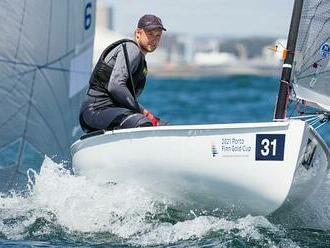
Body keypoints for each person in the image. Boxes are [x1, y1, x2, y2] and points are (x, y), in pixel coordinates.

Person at [79, 14, 167, 133]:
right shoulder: (132, 49)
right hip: (95, 111)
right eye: (150, 34)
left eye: (158, 36)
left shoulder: (141, 61)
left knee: (162, 125)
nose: (154, 39)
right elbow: (115, 86)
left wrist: (151, 117)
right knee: (143, 123)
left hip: (110, 113)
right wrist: (142, 113)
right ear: (138, 33)